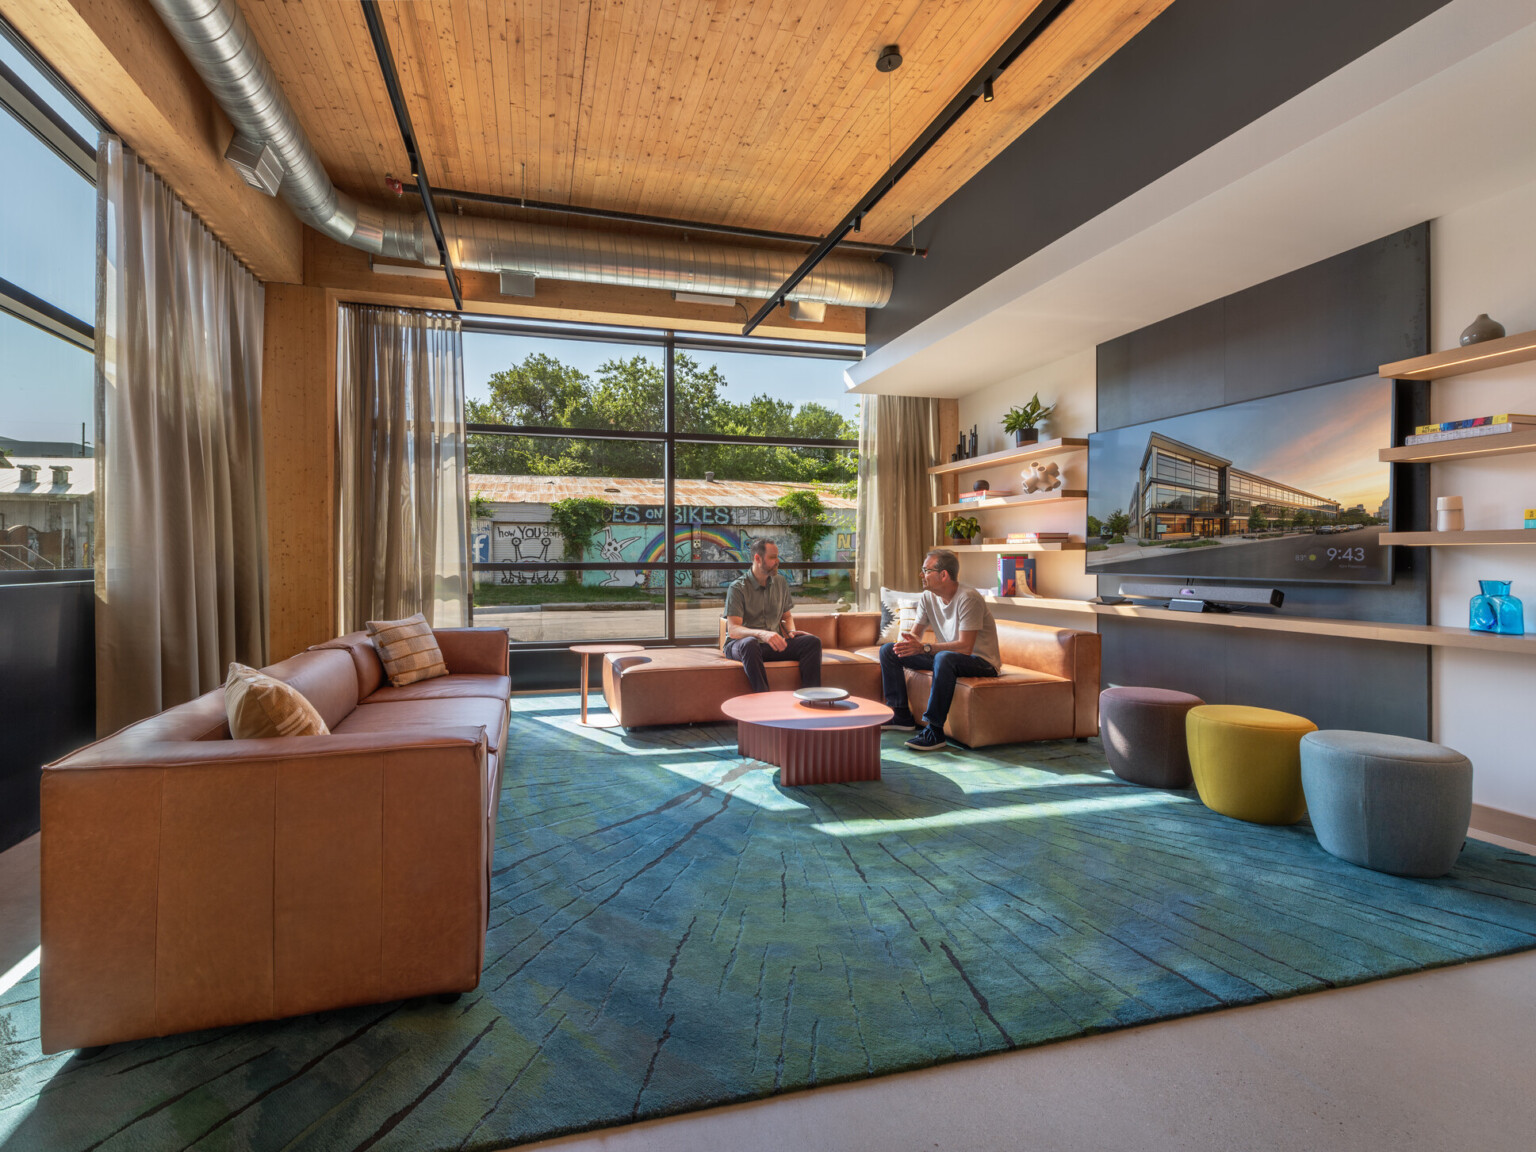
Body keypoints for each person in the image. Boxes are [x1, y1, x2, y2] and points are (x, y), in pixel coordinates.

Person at [880, 548, 1000, 751]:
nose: (921, 575)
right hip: (948, 658)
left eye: (926, 570)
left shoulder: (968, 598)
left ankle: (934, 731)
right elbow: (916, 634)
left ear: (943, 575)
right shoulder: (928, 597)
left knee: (944, 658)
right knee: (889, 651)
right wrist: (909, 643)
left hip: (981, 661)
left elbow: (965, 646)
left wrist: (925, 647)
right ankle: (900, 714)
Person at [722, 539, 822, 692]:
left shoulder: (781, 583)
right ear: (757, 558)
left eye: (777, 557)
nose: (777, 562)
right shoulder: (737, 588)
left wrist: (791, 632)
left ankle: (812, 697)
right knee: (750, 643)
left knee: (812, 642)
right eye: (772, 557)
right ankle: (764, 699)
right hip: (741, 647)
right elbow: (734, 629)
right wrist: (762, 634)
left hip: (770, 647)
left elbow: (787, 617)